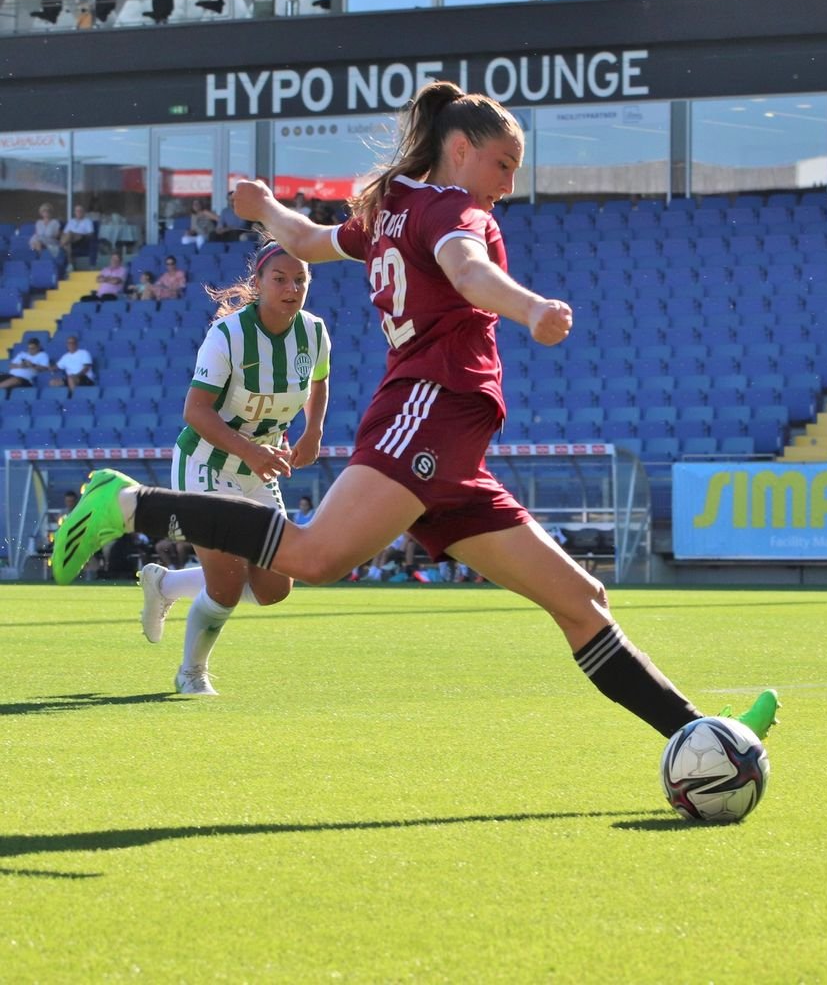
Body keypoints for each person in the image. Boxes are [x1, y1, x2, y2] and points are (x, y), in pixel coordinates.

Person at [52, 81, 779, 741]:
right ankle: (133, 504)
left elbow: (304, 240)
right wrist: (532, 309)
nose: (509, 184)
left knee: (581, 598)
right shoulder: (453, 210)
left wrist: (266, 206)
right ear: (460, 151)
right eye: (503, 164)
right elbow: (468, 269)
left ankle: (700, 737)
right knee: (315, 557)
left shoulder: (391, 209)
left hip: (457, 451)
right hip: (428, 408)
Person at [133, 241, 331, 694]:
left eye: (300, 279)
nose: (292, 287)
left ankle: (165, 586)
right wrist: (251, 450)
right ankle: (191, 673)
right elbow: (195, 411)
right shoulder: (227, 335)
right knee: (225, 587)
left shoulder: (315, 332)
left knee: (274, 588)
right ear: (258, 284)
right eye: (280, 279)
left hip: (257, 465)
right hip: (206, 461)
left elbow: (319, 381)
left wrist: (313, 432)